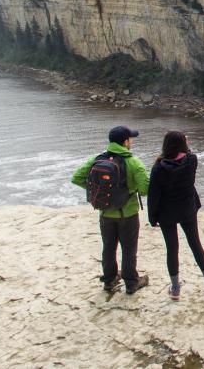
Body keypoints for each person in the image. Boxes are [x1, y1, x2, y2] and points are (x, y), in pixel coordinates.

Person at [72, 125, 150, 294]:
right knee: (129, 248)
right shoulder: (133, 162)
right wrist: (129, 190)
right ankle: (131, 282)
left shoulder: (97, 158)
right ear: (125, 142)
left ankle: (109, 280)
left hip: (105, 213)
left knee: (108, 246)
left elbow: (76, 178)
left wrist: (96, 190)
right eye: (131, 139)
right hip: (127, 214)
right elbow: (145, 190)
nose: (132, 142)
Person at [147, 131, 204, 300]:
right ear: (183, 145)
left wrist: (152, 216)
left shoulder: (158, 167)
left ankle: (176, 288)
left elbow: (153, 195)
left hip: (166, 212)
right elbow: (189, 153)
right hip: (187, 209)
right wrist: (185, 143)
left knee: (172, 249)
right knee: (195, 243)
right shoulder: (191, 161)